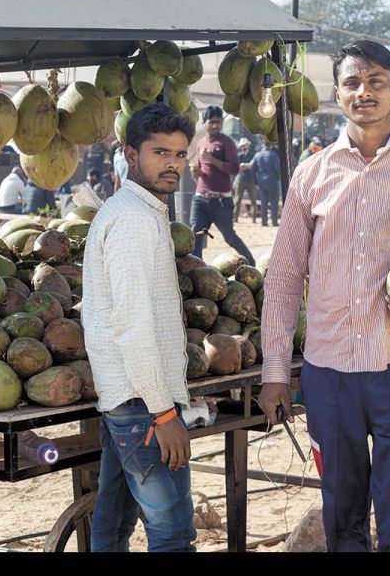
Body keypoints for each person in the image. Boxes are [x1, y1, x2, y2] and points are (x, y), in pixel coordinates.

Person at [257, 40, 390, 552]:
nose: (364, 92)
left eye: (376, 81)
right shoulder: (311, 175)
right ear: (337, 94)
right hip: (329, 374)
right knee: (343, 514)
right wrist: (273, 372)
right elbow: (286, 278)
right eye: (352, 83)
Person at [82, 104, 197, 552]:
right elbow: (132, 325)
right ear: (130, 154)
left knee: (112, 525)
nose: (171, 163)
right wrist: (164, 414)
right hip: (141, 403)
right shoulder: (131, 219)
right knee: (173, 535)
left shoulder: (140, 211)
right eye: (159, 152)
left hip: (126, 398)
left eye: (180, 155)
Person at [189, 105, 254, 265]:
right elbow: (199, 169)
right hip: (200, 199)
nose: (215, 125)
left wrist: (212, 159)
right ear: (204, 122)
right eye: (211, 122)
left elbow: (234, 169)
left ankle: (252, 264)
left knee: (230, 237)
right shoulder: (200, 143)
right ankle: (198, 270)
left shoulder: (227, 143)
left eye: (218, 122)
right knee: (195, 235)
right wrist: (195, 172)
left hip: (221, 202)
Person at [252, 141, 281, 227]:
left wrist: (255, 182)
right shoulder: (273, 155)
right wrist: (278, 178)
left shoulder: (257, 155)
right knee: (273, 202)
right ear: (271, 145)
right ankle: (274, 222)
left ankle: (264, 222)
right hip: (272, 180)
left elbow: (253, 169)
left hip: (261, 182)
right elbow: (277, 168)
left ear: (263, 145)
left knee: (263, 202)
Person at [233, 138, 258, 223]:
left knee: (253, 200)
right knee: (237, 200)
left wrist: (244, 165)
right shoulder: (239, 156)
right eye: (242, 145)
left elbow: (252, 165)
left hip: (250, 180)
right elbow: (238, 167)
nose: (244, 146)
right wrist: (248, 165)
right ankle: (235, 218)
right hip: (241, 180)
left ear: (248, 145)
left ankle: (254, 219)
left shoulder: (252, 155)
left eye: (245, 145)